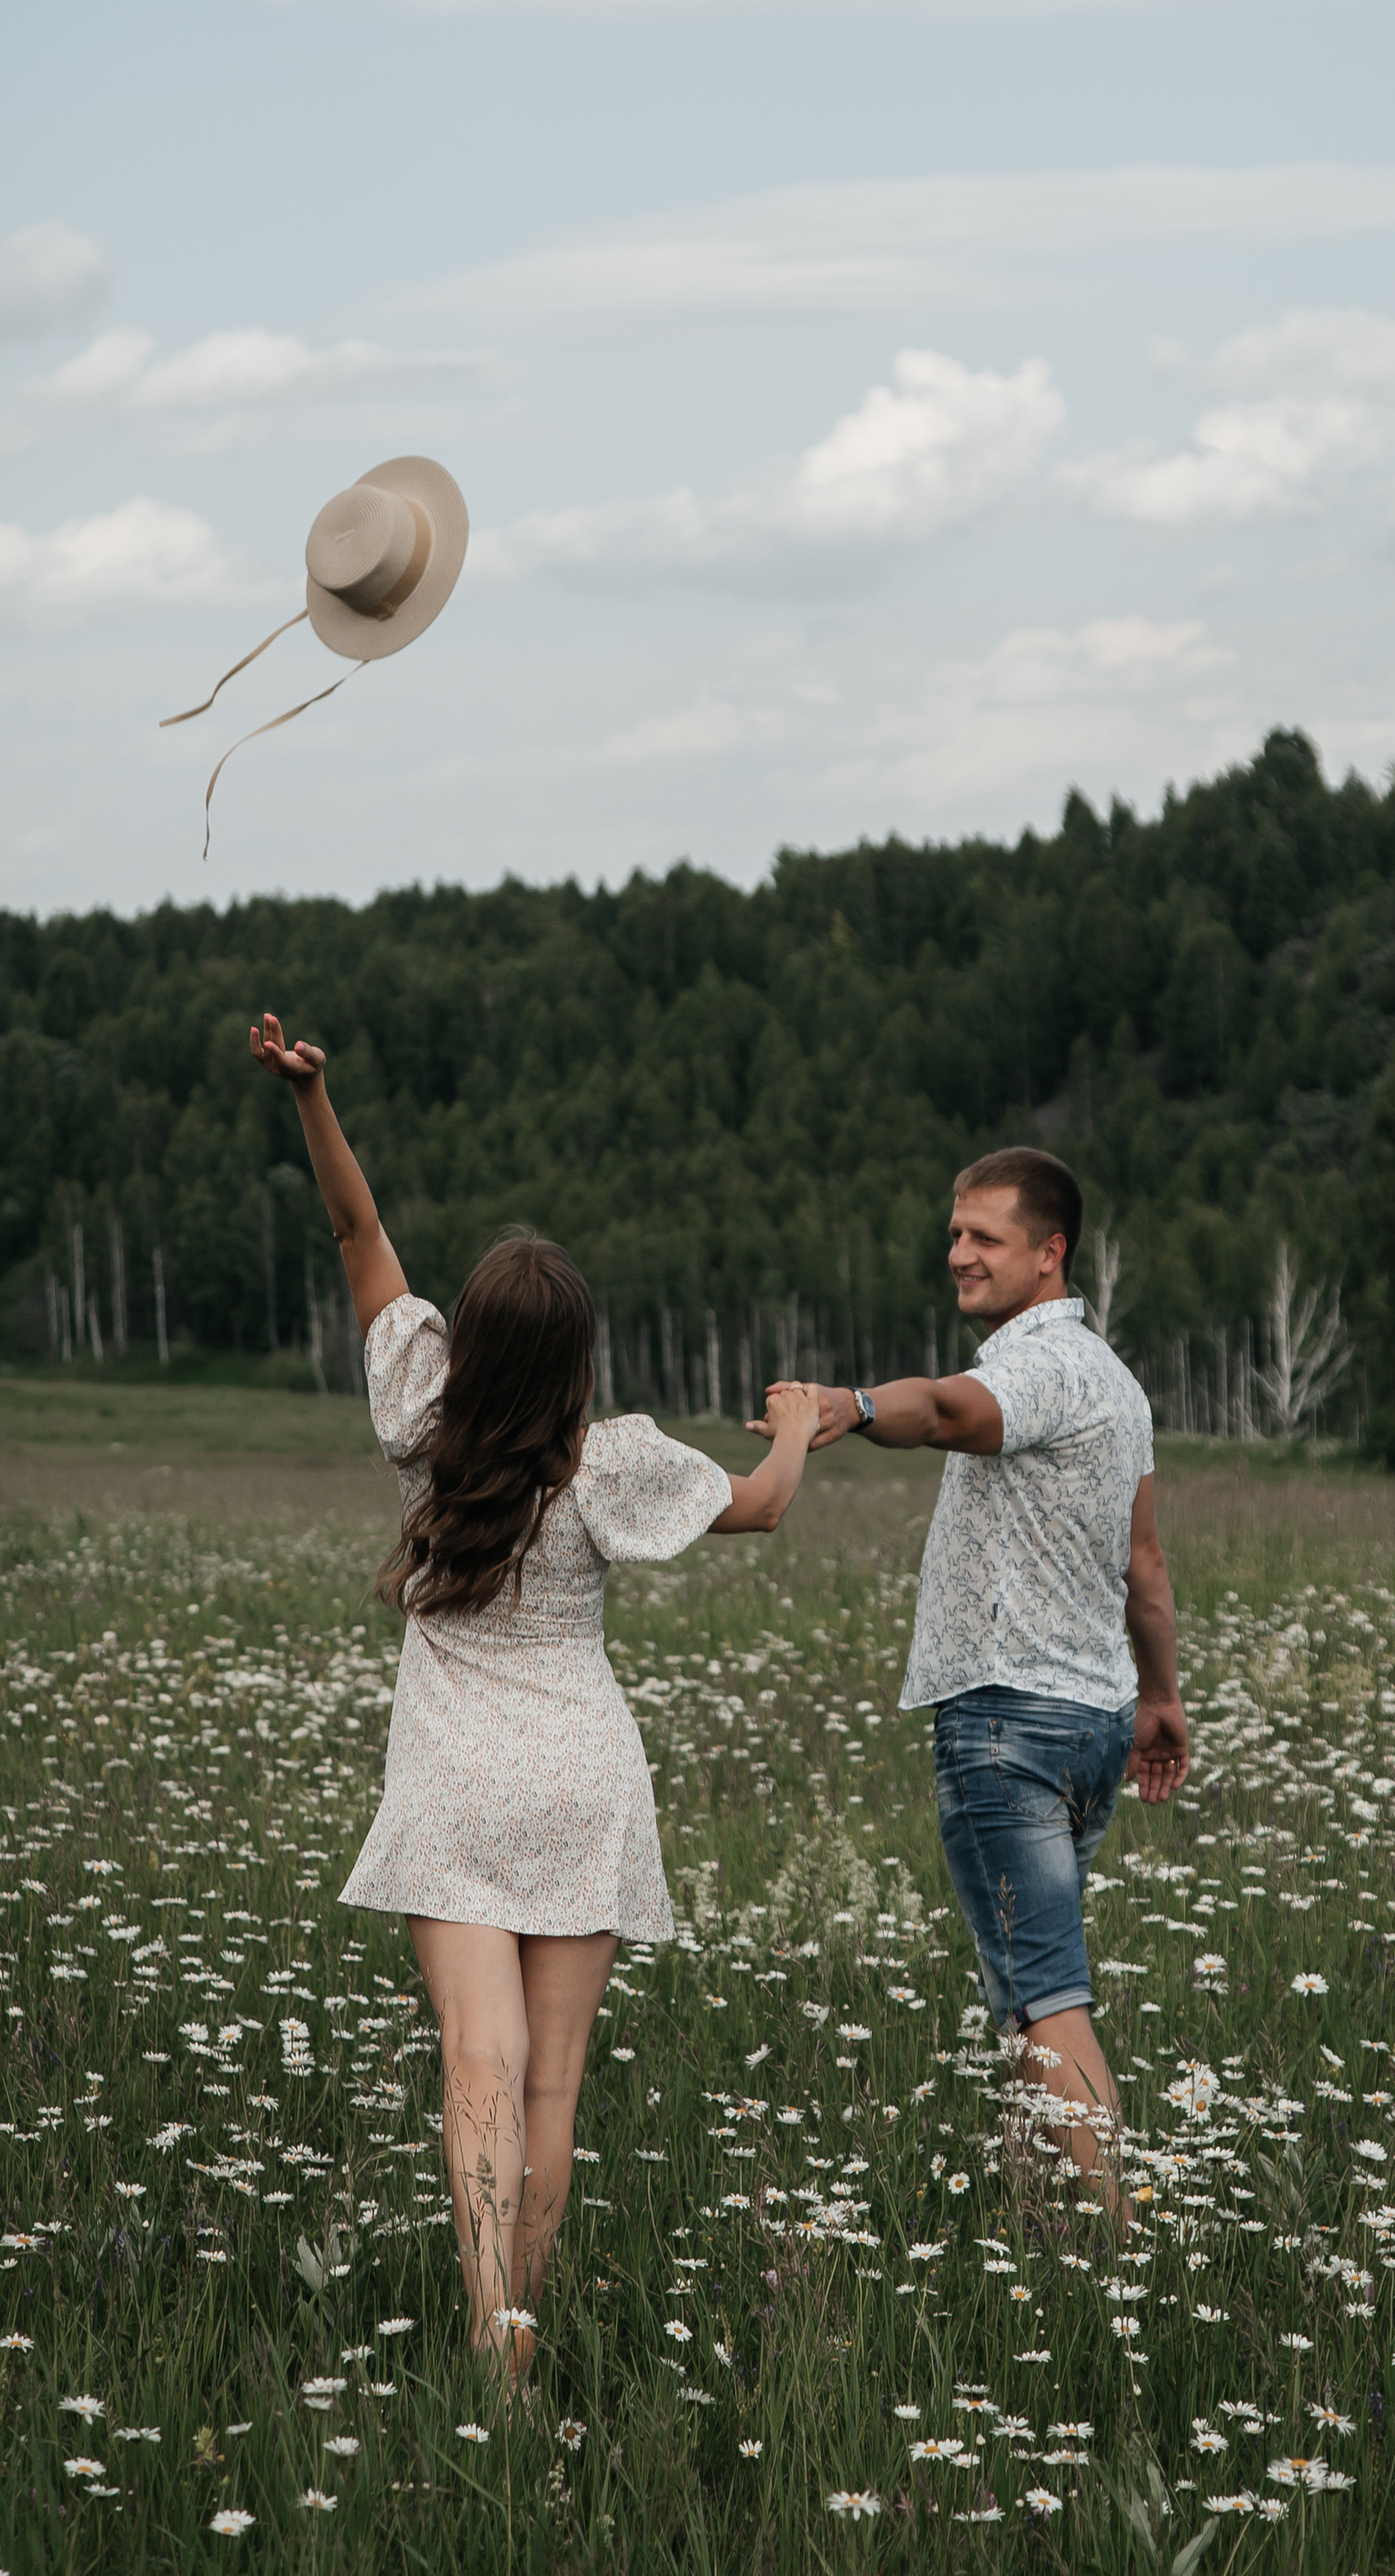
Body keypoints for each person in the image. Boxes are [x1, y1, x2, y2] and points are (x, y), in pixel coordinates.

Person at [249, 1010, 820, 2377]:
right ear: (575, 1361)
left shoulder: (422, 1429)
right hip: (582, 1784)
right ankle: (522, 2339)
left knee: (479, 2074)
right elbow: (757, 1511)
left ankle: (480, 2333)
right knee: (553, 2087)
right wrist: (798, 1424)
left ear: (472, 1345)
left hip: (454, 1785)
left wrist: (313, 1101)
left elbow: (355, 1234)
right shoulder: (610, 1464)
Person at [793, 1146, 1186, 2207]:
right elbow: (1143, 1565)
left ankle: (1117, 2248)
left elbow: (950, 1412)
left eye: (986, 1239)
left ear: (1049, 1254)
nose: (958, 1255)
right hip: (1093, 1717)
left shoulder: (1037, 1368)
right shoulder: (1116, 1379)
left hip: (1009, 1726)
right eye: (955, 1234)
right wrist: (1160, 1699)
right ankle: (1040, 2215)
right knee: (1021, 1988)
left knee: (1047, 1997)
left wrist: (856, 1405)